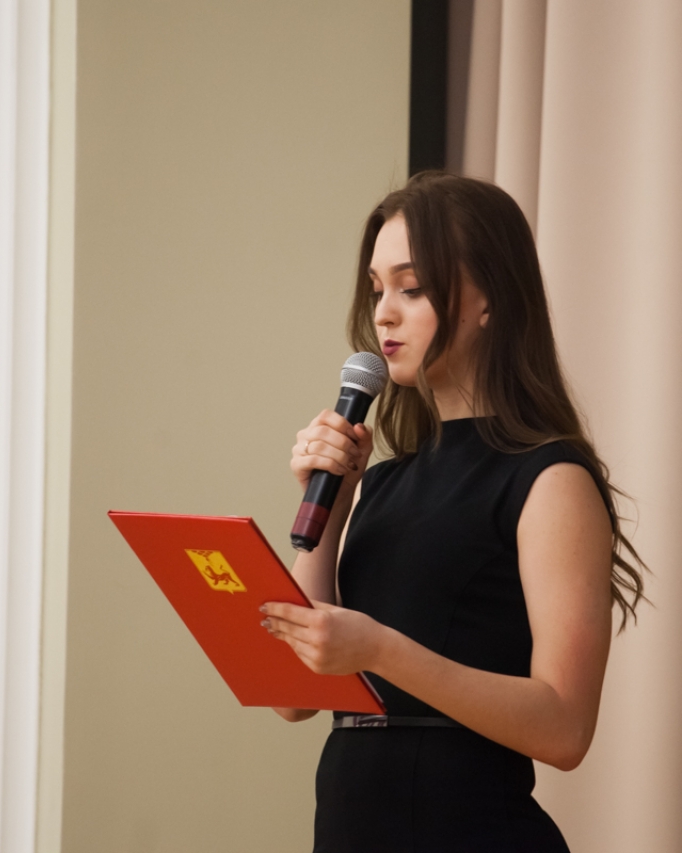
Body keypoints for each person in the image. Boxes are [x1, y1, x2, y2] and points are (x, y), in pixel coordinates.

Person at [259, 172, 647, 852]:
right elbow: (292, 697)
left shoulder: (549, 478)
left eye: (411, 288)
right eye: (377, 290)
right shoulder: (381, 483)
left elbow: (565, 729)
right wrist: (335, 500)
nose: (384, 314)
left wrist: (379, 649)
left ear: (488, 296)